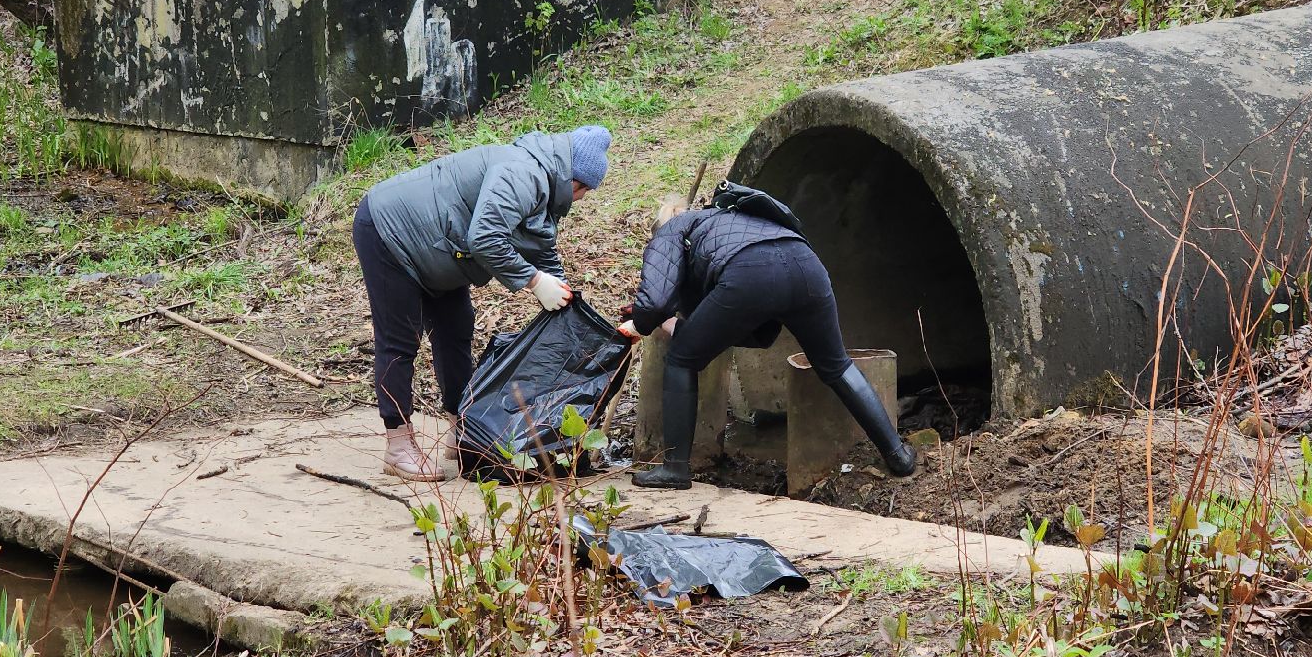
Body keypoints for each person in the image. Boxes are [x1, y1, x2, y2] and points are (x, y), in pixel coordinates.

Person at [353, 125, 612, 482]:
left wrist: (565, 298)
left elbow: (541, 245)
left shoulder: (544, 186)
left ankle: (463, 430)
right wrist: (534, 282)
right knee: (400, 339)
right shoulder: (523, 173)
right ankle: (398, 445)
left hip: (440, 249)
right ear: (576, 181)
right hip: (391, 230)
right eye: (586, 192)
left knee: (455, 329)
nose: (583, 199)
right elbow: (486, 237)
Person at [616, 194, 917, 489]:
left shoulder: (670, 231)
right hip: (806, 264)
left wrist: (643, 321)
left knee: (681, 360)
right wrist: (678, 325)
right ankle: (899, 456)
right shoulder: (729, 217)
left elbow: (654, 303)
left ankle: (675, 470)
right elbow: (716, 323)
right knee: (836, 366)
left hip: (750, 274)